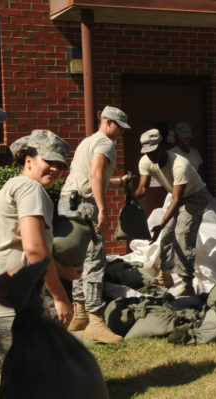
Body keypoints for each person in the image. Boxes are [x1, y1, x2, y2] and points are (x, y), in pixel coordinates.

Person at [0, 128, 75, 398]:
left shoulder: (7, 190)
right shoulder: (29, 187)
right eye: (49, 161)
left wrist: (62, 270)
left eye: (60, 164)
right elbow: (34, 250)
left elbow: (19, 250)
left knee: (0, 390)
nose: (56, 169)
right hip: (15, 311)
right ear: (28, 159)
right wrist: (60, 298)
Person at [59, 105, 131, 344]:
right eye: (119, 128)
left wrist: (118, 181)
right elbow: (95, 175)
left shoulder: (87, 141)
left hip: (67, 203)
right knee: (94, 261)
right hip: (85, 206)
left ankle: (79, 314)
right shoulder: (105, 143)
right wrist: (102, 208)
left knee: (78, 260)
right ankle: (96, 322)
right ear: (109, 122)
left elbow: (90, 174)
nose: (120, 133)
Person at [134, 129, 208, 296]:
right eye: (147, 152)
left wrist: (160, 223)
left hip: (195, 197)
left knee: (182, 235)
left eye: (154, 151)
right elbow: (142, 189)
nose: (151, 156)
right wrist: (129, 201)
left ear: (162, 147)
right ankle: (165, 274)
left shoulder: (180, 164)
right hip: (177, 195)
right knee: (167, 235)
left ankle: (187, 283)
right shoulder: (145, 161)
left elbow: (176, 200)